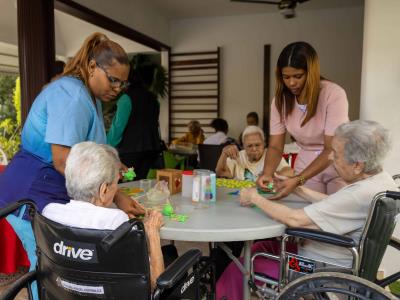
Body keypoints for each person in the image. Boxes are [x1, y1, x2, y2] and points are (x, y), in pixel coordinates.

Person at [0, 32, 145, 298]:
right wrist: (117, 195)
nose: (117, 88)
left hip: (51, 187)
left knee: (58, 270)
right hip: (32, 189)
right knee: (47, 269)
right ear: (92, 67)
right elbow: (64, 160)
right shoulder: (73, 95)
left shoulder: (91, 96)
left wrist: (111, 165)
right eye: (113, 80)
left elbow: (86, 149)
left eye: (122, 84)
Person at [217, 120, 398, 300]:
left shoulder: (358, 194)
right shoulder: (382, 181)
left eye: (335, 154)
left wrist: (253, 197)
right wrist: (298, 188)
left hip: (317, 268)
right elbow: (336, 203)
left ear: (357, 165)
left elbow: (295, 220)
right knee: (260, 247)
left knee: (240, 267)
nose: (329, 158)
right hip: (338, 259)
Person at [43, 142, 169, 289]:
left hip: (67, 294)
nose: (116, 190)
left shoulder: (49, 213)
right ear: (103, 190)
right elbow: (156, 282)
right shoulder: (116, 222)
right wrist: (153, 233)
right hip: (114, 293)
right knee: (172, 256)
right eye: (116, 184)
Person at [257, 41, 349, 199]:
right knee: (305, 212)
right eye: (286, 77)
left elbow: (331, 148)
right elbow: (275, 147)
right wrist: (267, 173)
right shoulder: (281, 101)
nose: (291, 83)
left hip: (337, 162)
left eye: (298, 76)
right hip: (306, 164)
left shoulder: (333, 94)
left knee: (337, 214)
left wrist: (298, 179)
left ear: (311, 72)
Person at [107, 63, 162, 179]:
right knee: (141, 182)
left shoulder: (126, 99)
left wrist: (107, 145)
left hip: (130, 153)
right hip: (151, 151)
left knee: (128, 181)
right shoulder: (153, 98)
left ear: (126, 81)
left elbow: (118, 126)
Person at [216, 125, 292, 182]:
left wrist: (271, 174)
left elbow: (290, 172)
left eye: (257, 145)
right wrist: (224, 154)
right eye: (249, 146)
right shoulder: (238, 156)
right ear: (243, 146)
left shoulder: (272, 155)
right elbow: (220, 173)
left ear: (264, 144)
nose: (254, 149)